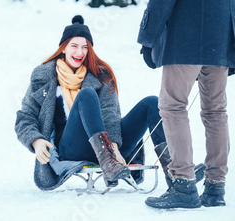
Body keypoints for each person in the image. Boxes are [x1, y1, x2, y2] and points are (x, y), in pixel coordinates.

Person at [138, 0, 235, 209]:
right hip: (222, 36)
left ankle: (182, 184)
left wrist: (149, 36)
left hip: (186, 37)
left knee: (171, 106)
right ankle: (215, 187)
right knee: (215, 111)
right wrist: (233, 42)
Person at [15, 15, 202, 191]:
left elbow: (110, 113)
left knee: (151, 104)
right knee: (86, 95)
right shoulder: (44, 78)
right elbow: (25, 117)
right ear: (63, 48)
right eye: (74, 46)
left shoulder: (100, 76)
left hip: (109, 146)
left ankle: (177, 175)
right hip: (71, 148)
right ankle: (107, 160)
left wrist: (113, 146)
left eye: (85, 47)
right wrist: (36, 141)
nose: (80, 52)